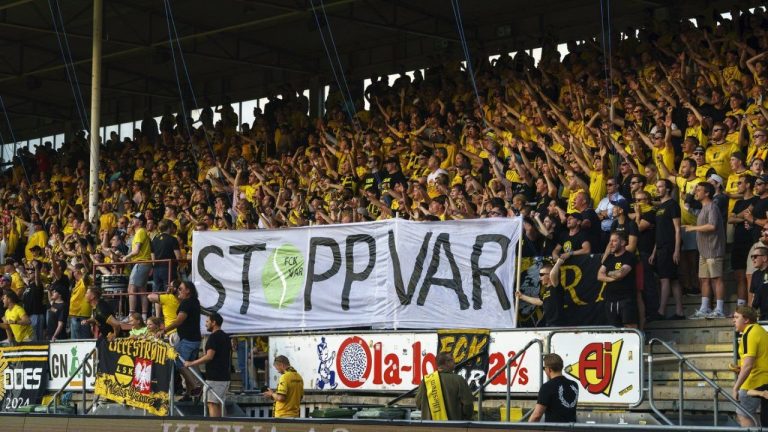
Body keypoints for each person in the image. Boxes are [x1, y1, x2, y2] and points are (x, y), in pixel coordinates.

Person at [686, 182, 727, 319]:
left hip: (713, 249)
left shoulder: (712, 207)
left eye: (699, 190)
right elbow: (687, 205)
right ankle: (705, 308)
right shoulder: (703, 208)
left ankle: (719, 309)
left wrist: (693, 228)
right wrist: (691, 192)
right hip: (704, 251)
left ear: (707, 193)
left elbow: (712, 226)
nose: (696, 192)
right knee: (704, 279)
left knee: (716, 279)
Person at [157, 280, 202, 401]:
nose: (178, 290)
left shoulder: (186, 303)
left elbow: (178, 321)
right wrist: (172, 293)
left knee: (179, 362)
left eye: (181, 289)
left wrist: (164, 330)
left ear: (188, 290)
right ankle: (188, 393)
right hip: (194, 339)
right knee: (188, 365)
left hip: (187, 339)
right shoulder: (194, 301)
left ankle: (195, 386)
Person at [184, 312, 230, 417]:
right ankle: (225, 425)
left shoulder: (214, 337)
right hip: (224, 376)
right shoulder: (226, 337)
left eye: (207, 321)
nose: (205, 324)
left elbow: (209, 356)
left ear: (214, 322)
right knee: (220, 404)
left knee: (212, 403)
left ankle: (216, 425)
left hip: (215, 377)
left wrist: (191, 363)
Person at [651, 179, 683, 319]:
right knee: (673, 280)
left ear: (668, 189)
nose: (657, 189)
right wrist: (654, 252)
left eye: (660, 186)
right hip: (660, 247)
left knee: (665, 279)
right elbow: (659, 230)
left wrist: (676, 250)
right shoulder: (660, 207)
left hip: (669, 247)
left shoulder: (672, 205)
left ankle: (661, 311)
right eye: (657, 187)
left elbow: (677, 229)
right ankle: (679, 312)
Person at [732, 306, 768, 427]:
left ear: (746, 319)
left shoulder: (749, 333)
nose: (733, 320)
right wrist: (741, 368)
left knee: (743, 415)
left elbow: (748, 365)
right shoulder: (760, 330)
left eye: (736, 317)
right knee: (754, 417)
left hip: (754, 382)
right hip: (763, 380)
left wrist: (736, 387)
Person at [415, 352, 474, 420]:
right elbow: (468, 405)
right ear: (447, 362)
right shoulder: (459, 380)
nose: (454, 362)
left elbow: (418, 404)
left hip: (430, 424)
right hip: (453, 424)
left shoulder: (426, 380)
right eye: (452, 360)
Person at [516, 258, 565, 327]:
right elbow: (540, 301)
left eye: (541, 274)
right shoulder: (546, 290)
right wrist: (522, 296)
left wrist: (558, 263)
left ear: (549, 275)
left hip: (557, 325)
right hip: (549, 324)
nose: (539, 277)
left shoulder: (556, 287)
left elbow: (553, 275)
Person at [529, 353, 578, 423]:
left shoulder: (547, 387)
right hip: (572, 427)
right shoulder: (574, 385)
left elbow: (537, 415)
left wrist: (527, 427)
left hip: (554, 428)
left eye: (544, 368)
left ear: (549, 369)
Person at [122, 213, 152, 320]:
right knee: (142, 290)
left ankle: (131, 315)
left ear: (141, 222)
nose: (132, 220)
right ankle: (143, 316)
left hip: (141, 263)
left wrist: (126, 257)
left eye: (135, 218)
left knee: (131, 289)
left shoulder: (140, 232)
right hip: (144, 263)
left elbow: (136, 251)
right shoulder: (141, 232)